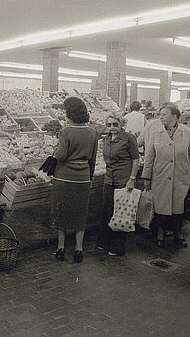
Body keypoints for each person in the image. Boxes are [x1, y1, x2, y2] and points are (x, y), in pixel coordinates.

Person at [142, 103, 190, 248]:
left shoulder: (187, 132)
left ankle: (178, 233)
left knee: (179, 206)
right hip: (160, 175)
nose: (161, 117)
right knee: (160, 206)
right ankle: (160, 233)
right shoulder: (156, 133)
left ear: (174, 116)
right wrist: (146, 177)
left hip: (181, 175)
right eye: (160, 114)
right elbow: (149, 157)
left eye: (164, 114)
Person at [50, 97, 98, 263]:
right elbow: (93, 159)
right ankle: (79, 248)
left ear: (69, 112)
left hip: (64, 177)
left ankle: (61, 247)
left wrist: (55, 149)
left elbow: (61, 155)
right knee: (80, 213)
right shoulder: (92, 132)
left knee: (62, 212)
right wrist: (89, 177)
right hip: (83, 177)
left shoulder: (66, 131)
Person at [96, 112, 140, 256]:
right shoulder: (107, 139)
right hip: (109, 179)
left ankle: (118, 246)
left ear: (122, 124)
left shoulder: (129, 138)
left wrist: (132, 178)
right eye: (109, 125)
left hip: (123, 179)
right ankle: (104, 242)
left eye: (115, 124)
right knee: (107, 211)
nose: (112, 127)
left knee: (121, 212)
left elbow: (135, 160)